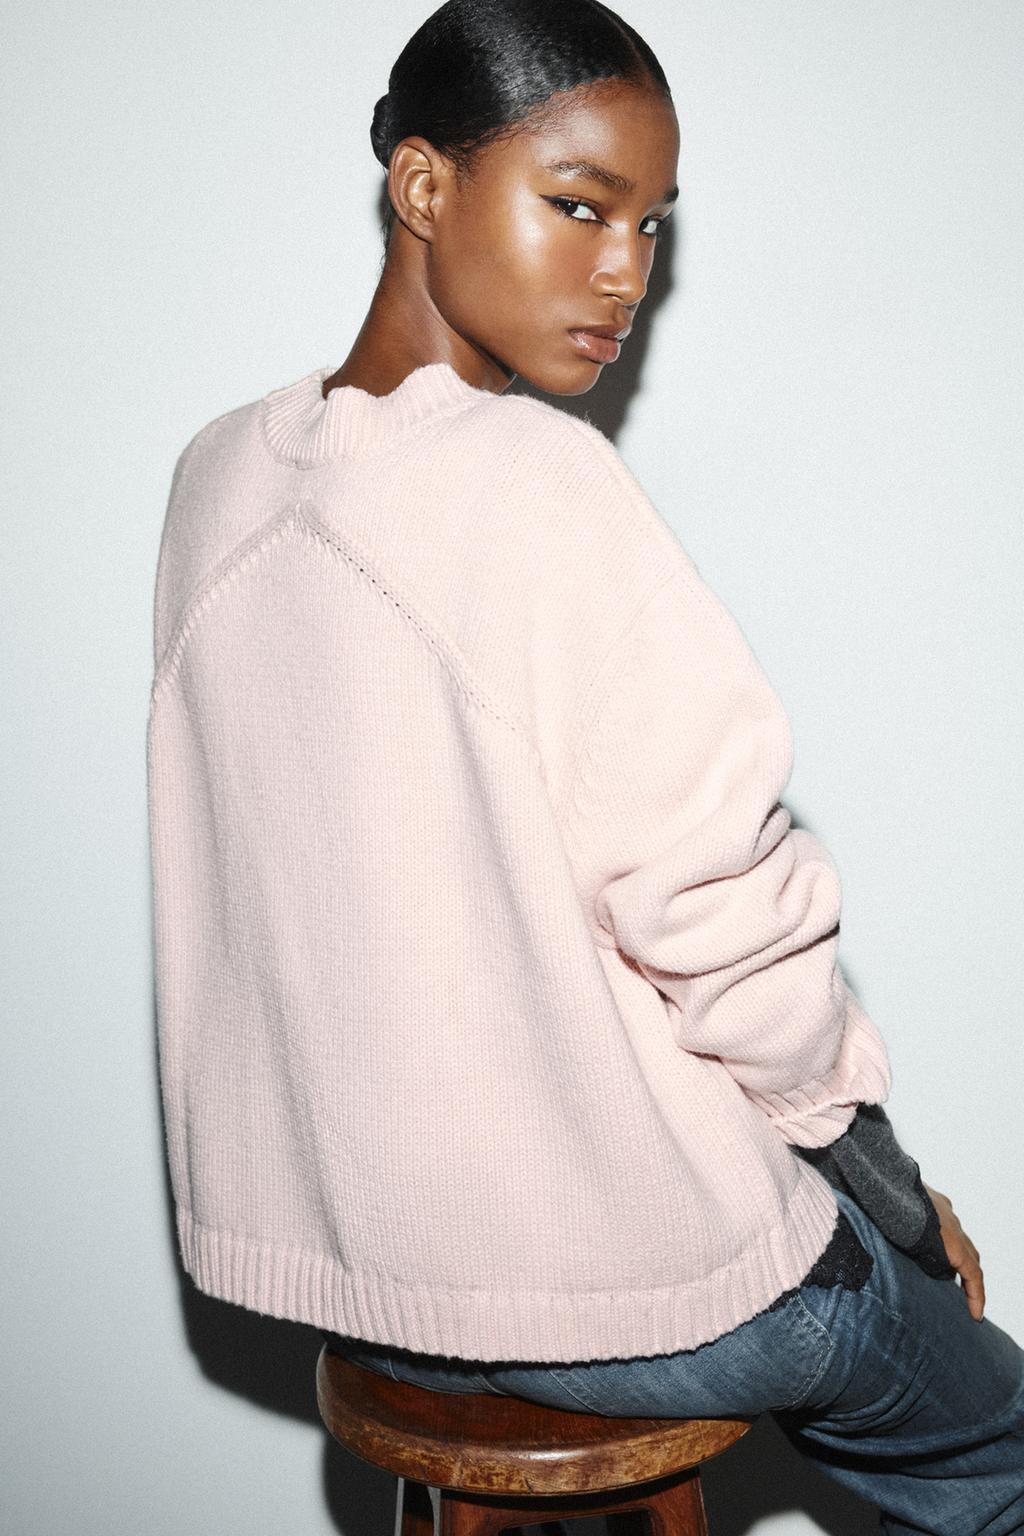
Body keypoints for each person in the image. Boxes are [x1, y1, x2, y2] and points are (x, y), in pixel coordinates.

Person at [145, 1, 1024, 1528]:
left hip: (360, 1289)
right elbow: (728, 921)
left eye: (651, 223)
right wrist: (889, 1199)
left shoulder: (212, 481)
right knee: (1001, 1446)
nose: (628, 270)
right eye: (579, 205)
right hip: (625, 1298)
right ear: (424, 186)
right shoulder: (531, 483)